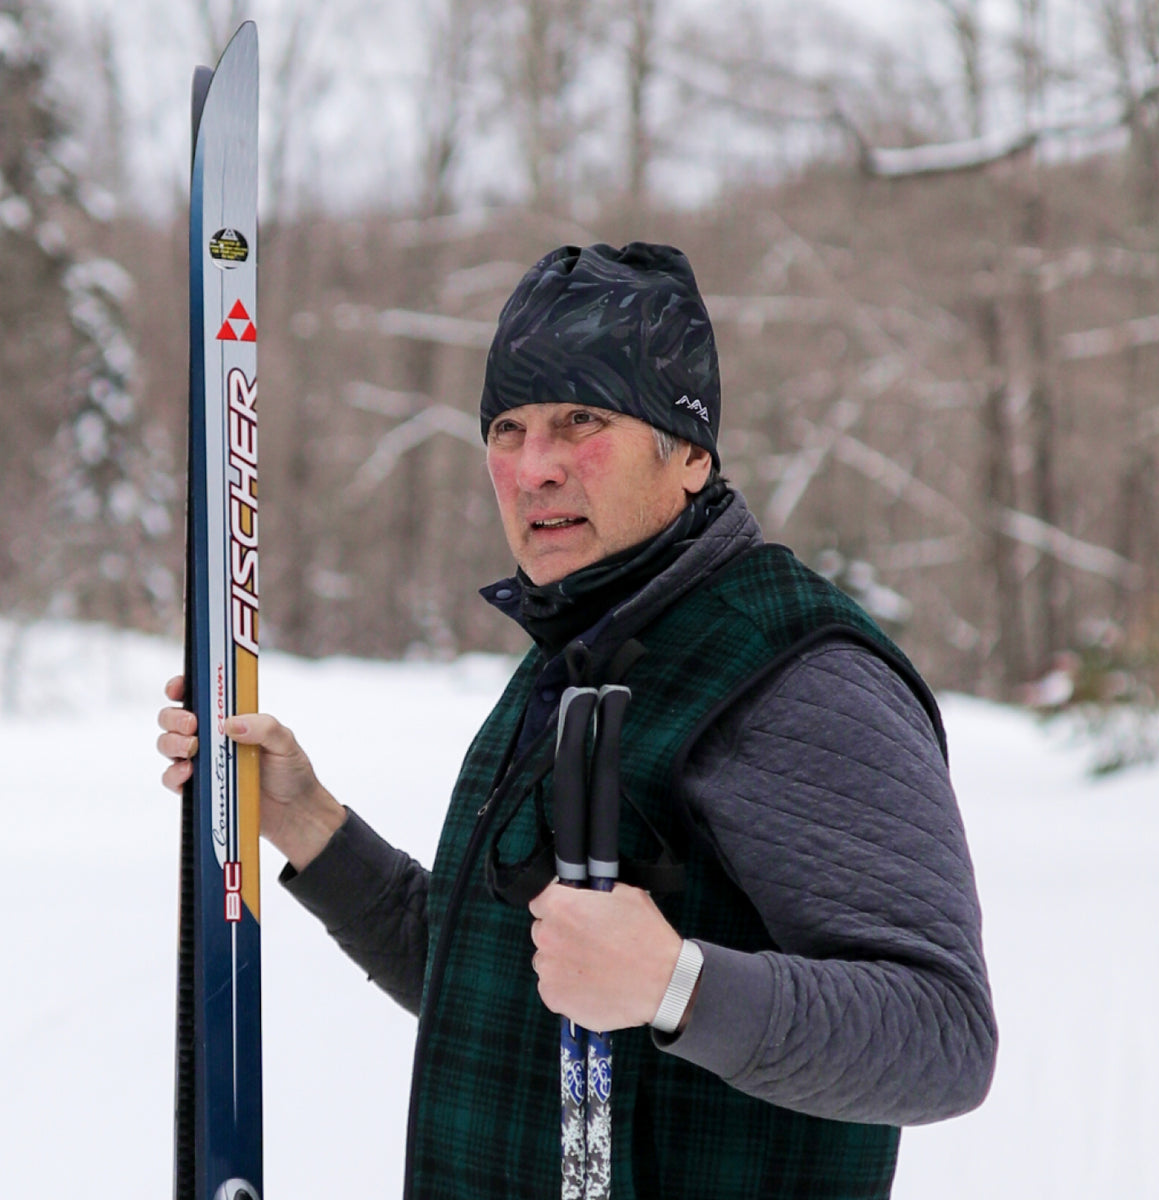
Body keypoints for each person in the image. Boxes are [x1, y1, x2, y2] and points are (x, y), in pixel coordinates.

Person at [158, 242, 996, 1199]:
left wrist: (677, 985)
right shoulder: (580, 655)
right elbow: (491, 983)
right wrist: (308, 822)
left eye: (581, 420)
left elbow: (944, 1038)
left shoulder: (793, 672)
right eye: (507, 429)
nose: (534, 467)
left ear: (689, 452)